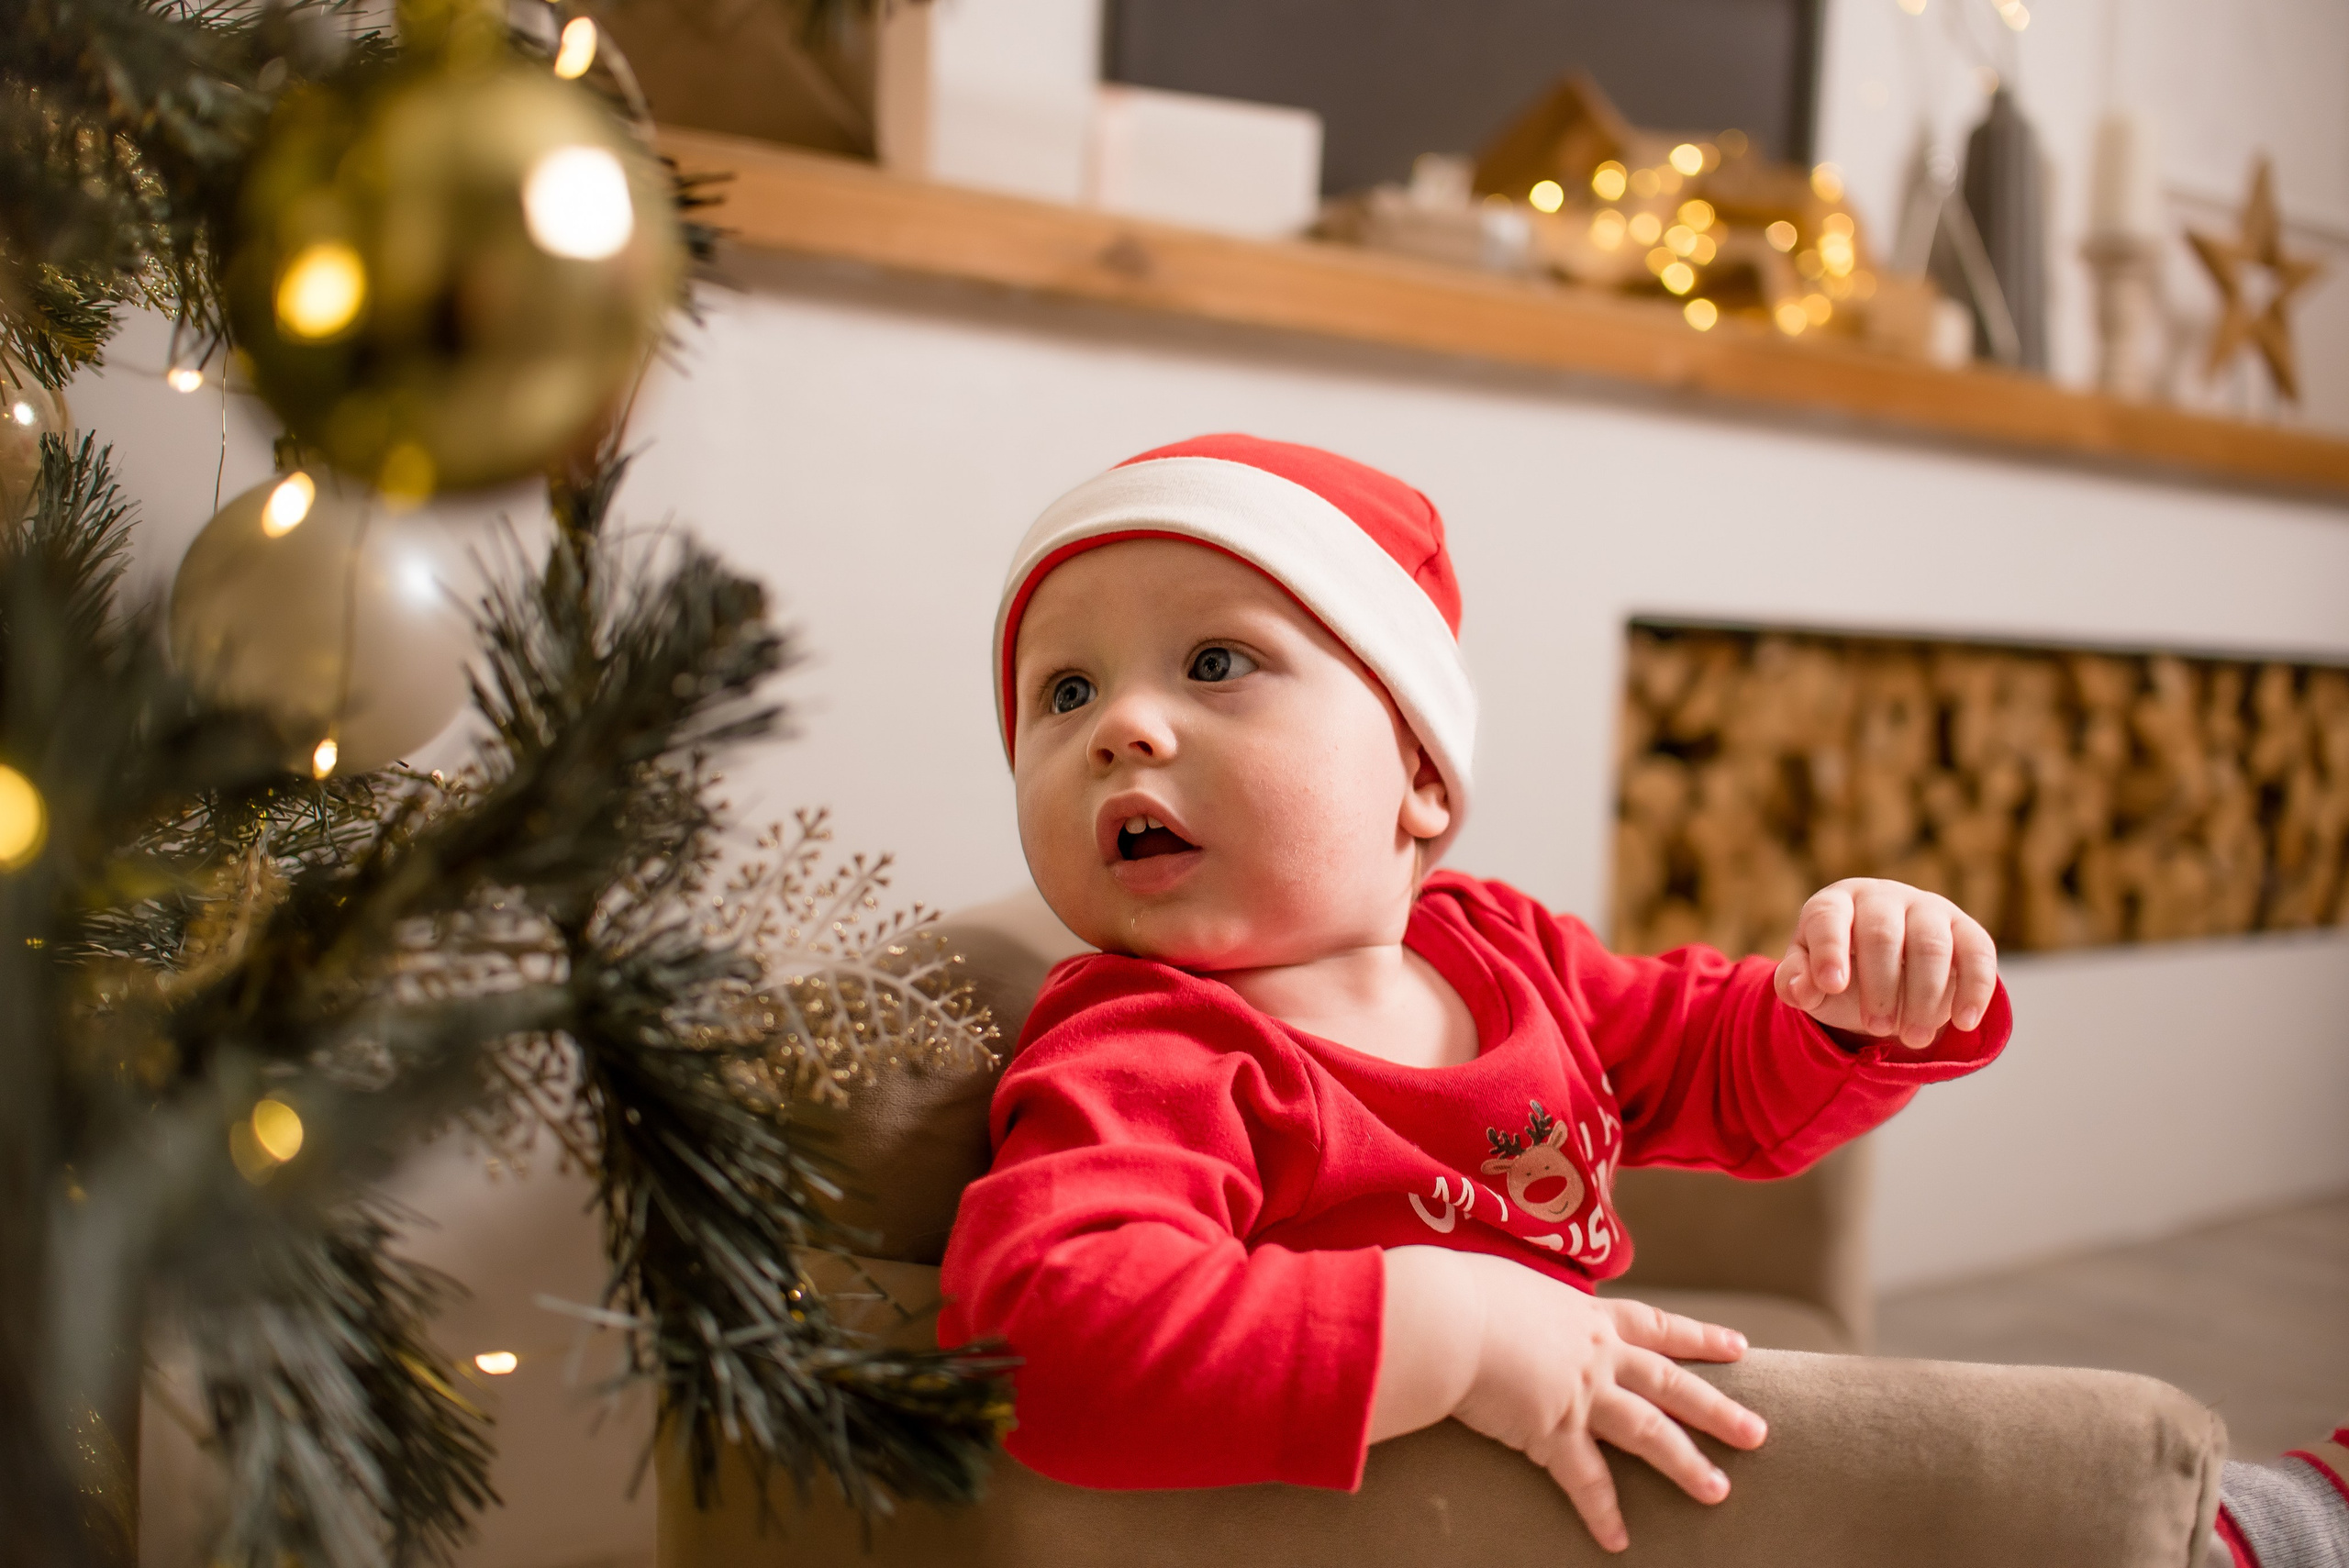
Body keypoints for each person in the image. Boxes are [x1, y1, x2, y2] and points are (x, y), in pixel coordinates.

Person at [936, 433, 2021, 1552]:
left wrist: (1844, 998)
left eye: (1214, 663)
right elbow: (1049, 1338)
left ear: (1415, 770)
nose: (1122, 729)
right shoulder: (1146, 1048)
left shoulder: (1505, 947)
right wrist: (1449, 1329)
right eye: (1065, 690)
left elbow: (1714, 1066)